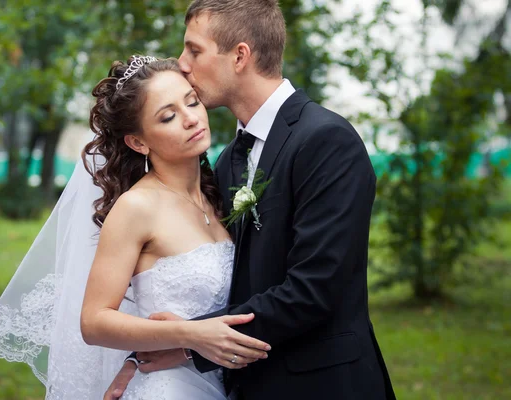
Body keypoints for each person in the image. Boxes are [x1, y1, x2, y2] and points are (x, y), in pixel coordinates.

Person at [107, 1, 397, 399]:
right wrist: (146, 354)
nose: (182, 64)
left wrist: (190, 344)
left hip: (322, 384)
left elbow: (315, 289)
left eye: (194, 50)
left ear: (239, 56)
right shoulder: (228, 161)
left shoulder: (326, 141)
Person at [0, 55, 270, 400]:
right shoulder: (136, 207)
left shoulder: (219, 190)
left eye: (191, 102)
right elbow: (94, 321)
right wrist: (191, 335)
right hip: (171, 388)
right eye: (168, 116)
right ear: (139, 142)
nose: (191, 119)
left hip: (229, 382)